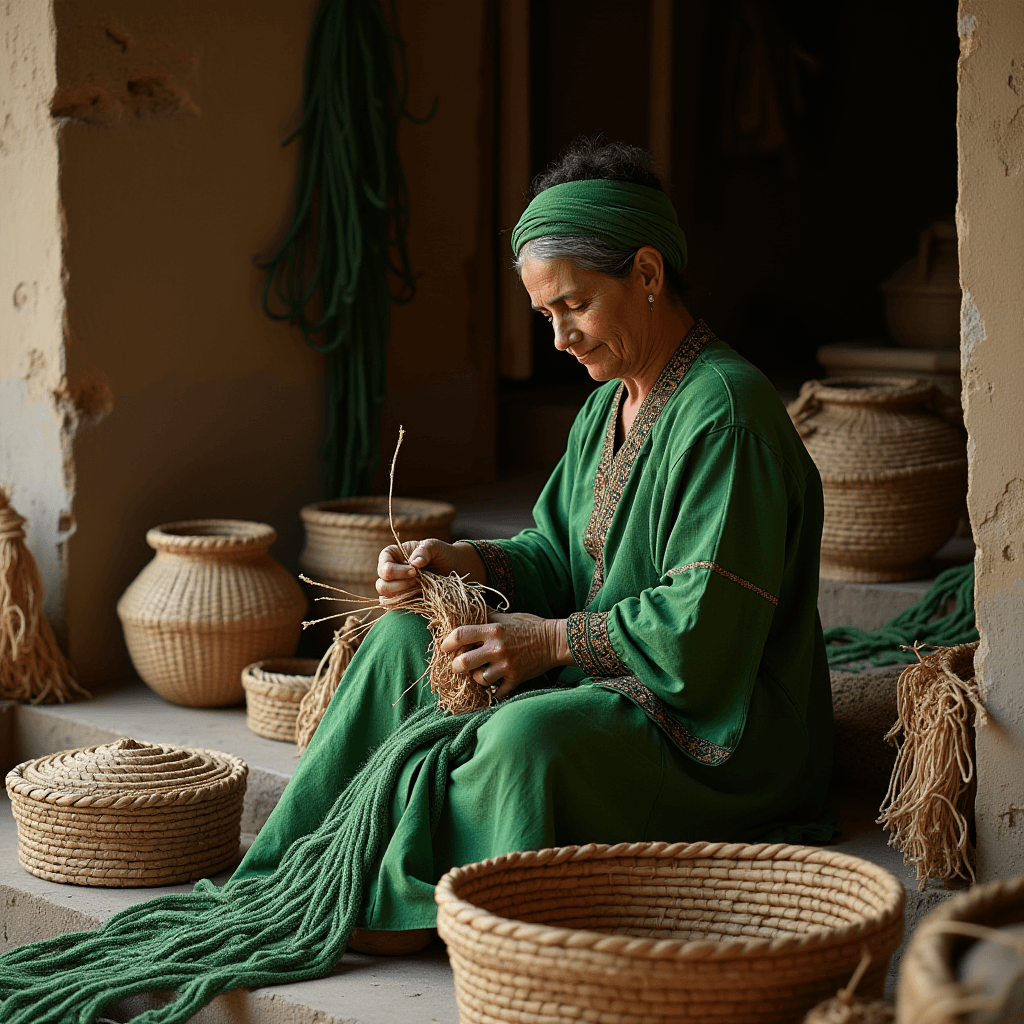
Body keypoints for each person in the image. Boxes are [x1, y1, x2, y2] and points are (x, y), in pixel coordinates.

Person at [233, 138, 837, 953]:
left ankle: (406, 905)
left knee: (524, 740)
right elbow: (557, 555)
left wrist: (549, 643)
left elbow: (703, 632)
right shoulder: (607, 406)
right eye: (546, 316)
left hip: (715, 727)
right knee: (406, 639)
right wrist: (462, 564)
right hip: (615, 675)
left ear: (649, 275)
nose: (560, 339)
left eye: (576, 306)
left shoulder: (727, 412)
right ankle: (303, 873)